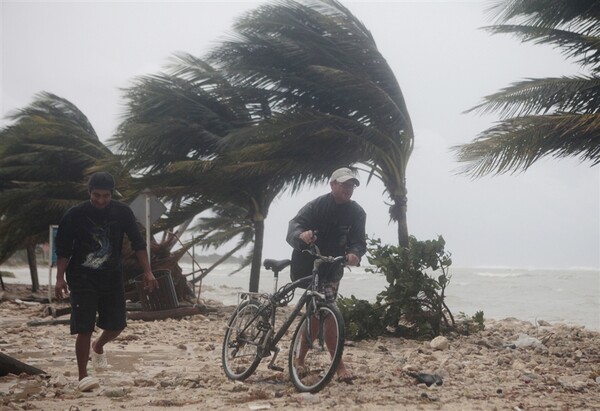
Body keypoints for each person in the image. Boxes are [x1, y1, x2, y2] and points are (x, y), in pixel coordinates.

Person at [54, 172, 158, 392]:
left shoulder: (123, 212)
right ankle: (84, 376)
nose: (101, 200)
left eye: (106, 196)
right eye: (96, 195)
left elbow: (139, 243)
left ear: (112, 194)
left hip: (111, 276)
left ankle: (98, 346)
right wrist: (59, 278)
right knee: (84, 327)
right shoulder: (75, 214)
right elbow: (62, 249)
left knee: (117, 325)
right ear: (89, 192)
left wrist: (148, 272)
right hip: (82, 277)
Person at [286, 167, 367, 383]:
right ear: (332, 185)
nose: (348, 189)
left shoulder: (357, 213)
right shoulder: (316, 206)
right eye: (344, 184)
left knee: (319, 314)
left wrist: (355, 254)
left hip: (333, 267)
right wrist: (300, 235)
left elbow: (359, 242)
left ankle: (300, 359)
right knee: (325, 314)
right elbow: (294, 226)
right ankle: (338, 366)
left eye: (351, 185)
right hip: (309, 265)